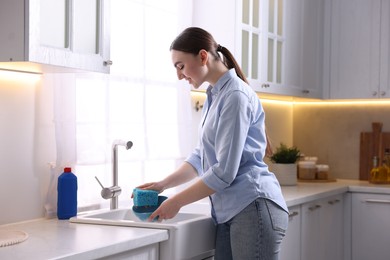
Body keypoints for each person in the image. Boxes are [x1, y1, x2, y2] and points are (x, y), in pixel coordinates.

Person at [136, 27, 289, 260]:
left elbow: (223, 172)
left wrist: (176, 202)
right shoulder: (215, 94)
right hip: (232, 212)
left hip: (253, 208)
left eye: (180, 66)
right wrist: (162, 185)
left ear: (203, 56)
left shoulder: (235, 95)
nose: (179, 75)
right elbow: (201, 157)